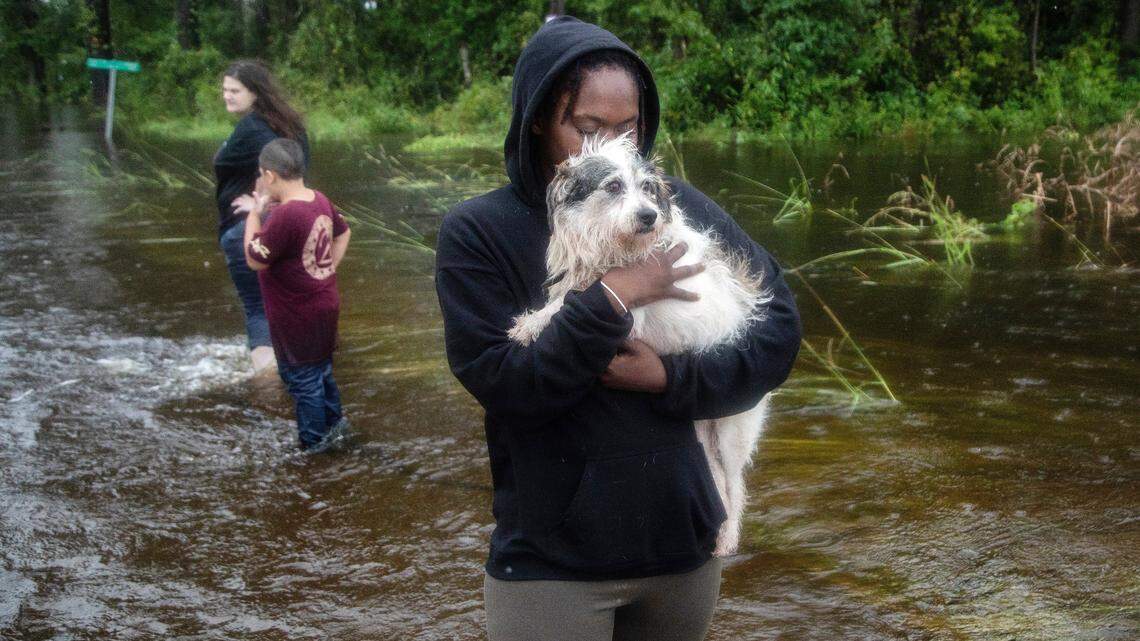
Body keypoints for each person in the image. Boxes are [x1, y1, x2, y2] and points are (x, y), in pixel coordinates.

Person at [434, 16, 801, 641]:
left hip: (682, 557)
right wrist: (616, 295)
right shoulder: (477, 232)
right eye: (587, 128)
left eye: (626, 127)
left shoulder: (666, 206)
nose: (611, 146)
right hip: (553, 570)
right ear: (537, 121)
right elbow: (509, 385)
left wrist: (668, 376)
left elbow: (776, 336)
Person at [243, 138, 351, 452]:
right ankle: (337, 429)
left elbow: (253, 258)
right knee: (322, 371)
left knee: (302, 380)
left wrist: (253, 215)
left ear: (270, 176)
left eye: (262, 176)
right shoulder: (318, 199)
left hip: (295, 316)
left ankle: (313, 447)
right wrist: (325, 268)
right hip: (324, 305)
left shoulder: (285, 215)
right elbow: (344, 232)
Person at [213, 59, 310, 375]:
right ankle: (298, 371)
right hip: (290, 225)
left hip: (246, 227)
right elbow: (296, 167)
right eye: (225, 90)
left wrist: (261, 203)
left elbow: (277, 167)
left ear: (255, 92)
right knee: (286, 303)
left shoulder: (251, 128)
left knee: (258, 308)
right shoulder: (289, 123)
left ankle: (266, 385)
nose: (227, 96)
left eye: (235, 90)